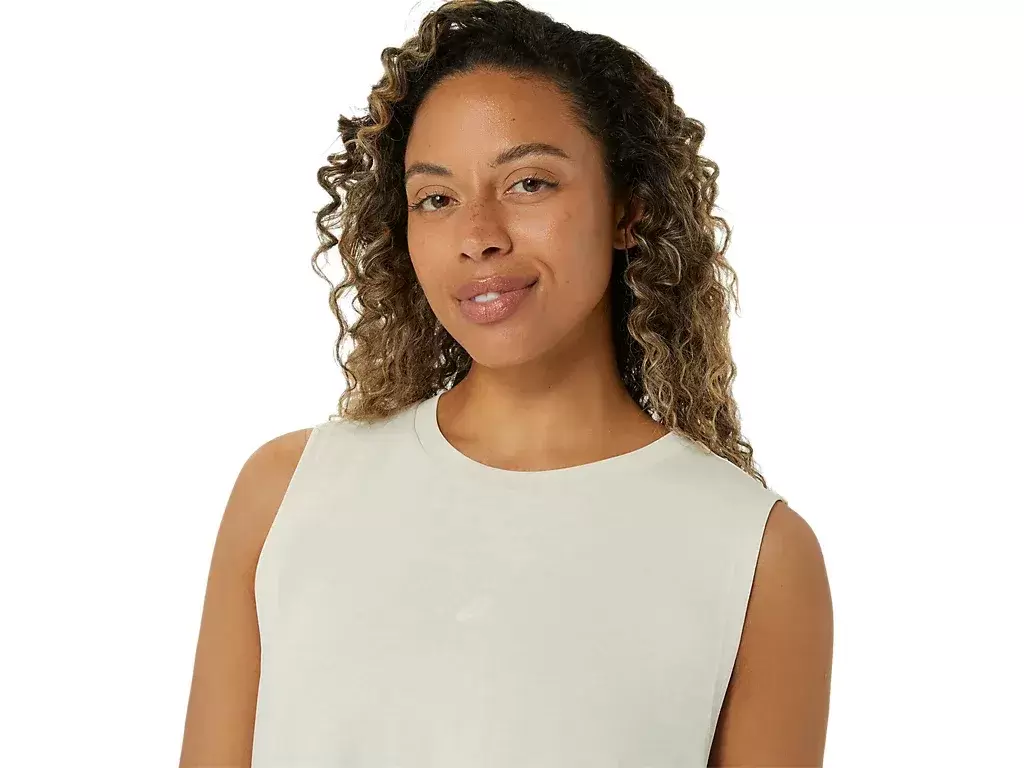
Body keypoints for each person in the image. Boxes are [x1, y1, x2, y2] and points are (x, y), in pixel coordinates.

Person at [178, 1, 833, 766]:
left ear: (628, 209)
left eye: (528, 183)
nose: (479, 236)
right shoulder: (285, 495)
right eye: (437, 198)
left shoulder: (754, 555)